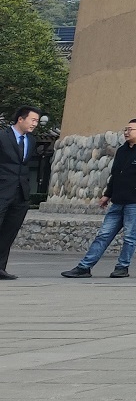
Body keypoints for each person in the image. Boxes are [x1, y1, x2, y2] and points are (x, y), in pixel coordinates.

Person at [62, 120, 136, 279]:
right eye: (125, 129)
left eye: (130, 129)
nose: (126, 132)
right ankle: (84, 267)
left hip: (135, 202)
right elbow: (116, 174)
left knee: (130, 237)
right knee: (103, 235)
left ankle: (122, 267)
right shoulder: (122, 151)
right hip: (117, 201)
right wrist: (107, 194)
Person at [1, 106, 44, 280]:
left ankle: (0, 268)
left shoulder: (31, 140)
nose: (35, 124)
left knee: (8, 232)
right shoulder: (2, 137)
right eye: (33, 120)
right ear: (20, 119)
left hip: (20, 194)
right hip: (2, 190)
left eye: (37, 121)